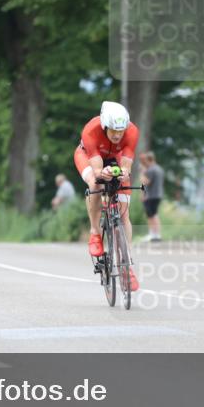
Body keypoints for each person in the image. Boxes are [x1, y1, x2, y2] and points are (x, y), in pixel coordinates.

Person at [74, 101, 140, 291]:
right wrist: (102, 172)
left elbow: (127, 163)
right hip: (88, 156)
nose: (118, 135)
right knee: (95, 183)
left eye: (121, 131)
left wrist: (124, 172)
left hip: (115, 160)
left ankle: (126, 264)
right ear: (104, 126)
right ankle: (95, 232)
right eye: (113, 131)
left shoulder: (132, 132)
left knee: (124, 212)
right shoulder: (91, 130)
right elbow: (96, 169)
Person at [139, 151, 164, 242]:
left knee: (151, 215)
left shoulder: (150, 170)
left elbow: (145, 182)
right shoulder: (159, 169)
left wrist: (142, 173)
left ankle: (152, 234)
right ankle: (156, 234)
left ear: (148, 159)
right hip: (158, 194)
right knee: (155, 214)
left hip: (150, 196)